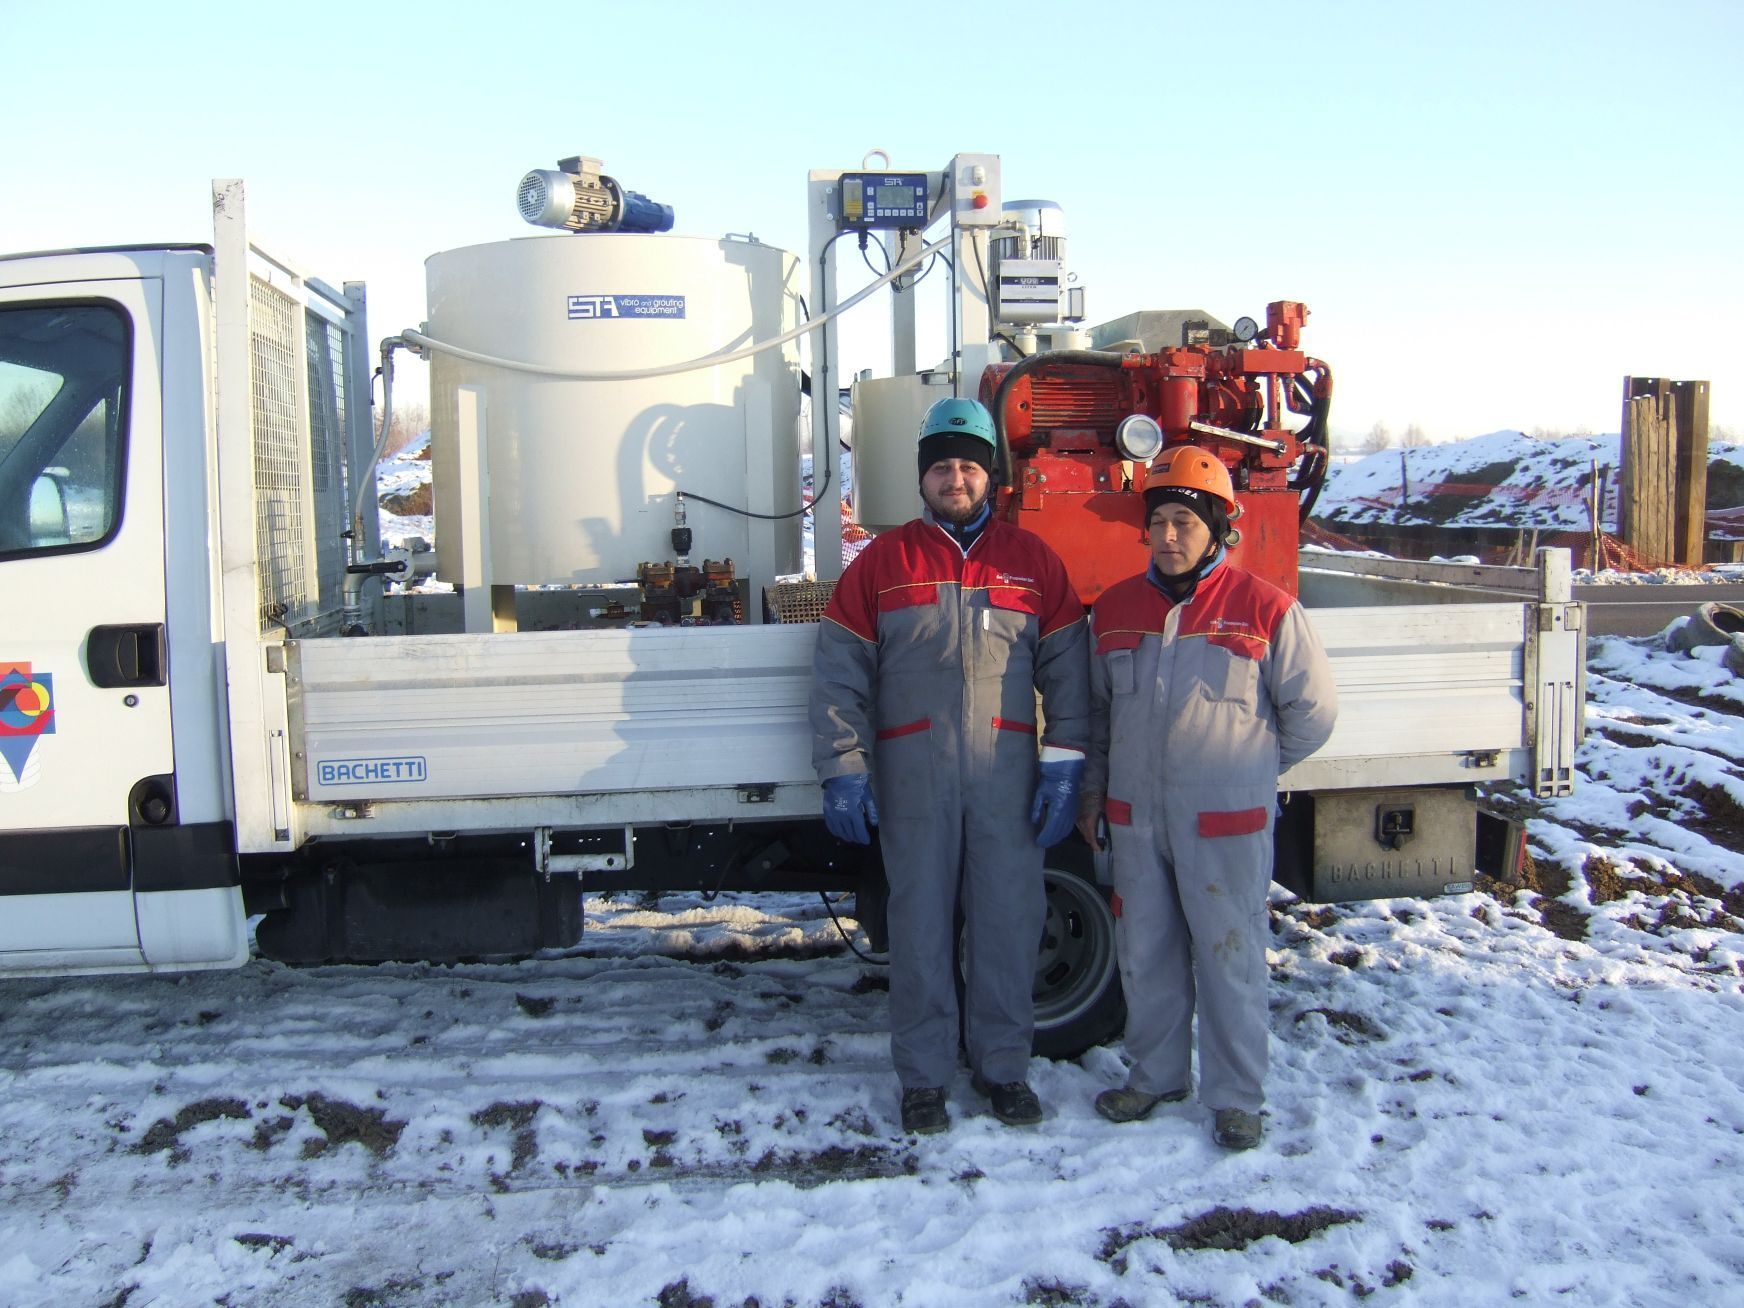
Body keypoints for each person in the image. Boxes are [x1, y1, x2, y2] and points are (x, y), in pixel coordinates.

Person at [809, 396, 1089, 1135]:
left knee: (1008, 924)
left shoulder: (1030, 564)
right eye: (941, 468)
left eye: (968, 466)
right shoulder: (882, 563)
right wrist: (843, 765)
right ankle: (924, 1079)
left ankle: (1003, 1069)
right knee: (920, 929)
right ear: (922, 479)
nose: (955, 479)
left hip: (1006, 780)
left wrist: (1063, 764)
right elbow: (839, 672)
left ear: (989, 477)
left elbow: (1068, 671)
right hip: (912, 781)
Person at [1075, 446, 1337, 1150]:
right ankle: (1156, 1076)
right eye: (1158, 520)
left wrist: (1247, 769)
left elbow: (1313, 713)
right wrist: (1095, 793)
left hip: (1224, 822)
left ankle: (1236, 1097)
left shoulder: (1266, 609)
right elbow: (1100, 717)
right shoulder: (1117, 609)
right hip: (1135, 819)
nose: (1168, 535)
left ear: (1218, 527)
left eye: (1185, 520)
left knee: (1230, 957)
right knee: (1146, 953)